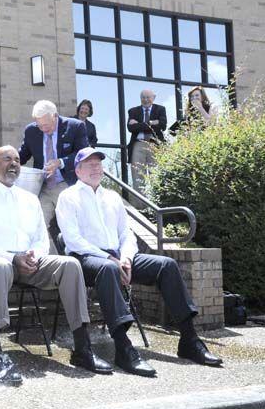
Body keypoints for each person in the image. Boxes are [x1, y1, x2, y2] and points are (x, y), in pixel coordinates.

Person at [55, 147, 223, 377]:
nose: (96, 167)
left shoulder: (112, 196)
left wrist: (125, 257)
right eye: (89, 164)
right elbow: (73, 240)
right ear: (78, 170)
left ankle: (189, 340)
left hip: (118, 257)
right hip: (86, 260)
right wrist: (110, 259)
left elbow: (126, 234)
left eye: (98, 163)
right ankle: (123, 348)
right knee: (107, 269)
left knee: (166, 265)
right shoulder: (68, 197)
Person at [0, 145, 112, 385]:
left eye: (17, 160)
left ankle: (82, 348)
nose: (13, 163)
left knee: (70, 265)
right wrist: (13, 258)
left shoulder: (29, 199)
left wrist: (34, 255)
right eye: (7, 159)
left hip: (30, 263)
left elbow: (41, 238)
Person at [18, 100, 88, 250]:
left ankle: (80, 261)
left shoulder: (75, 127)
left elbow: (83, 154)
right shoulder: (31, 131)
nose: (43, 129)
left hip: (66, 185)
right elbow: (22, 155)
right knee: (36, 226)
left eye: (47, 125)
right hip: (43, 187)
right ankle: (51, 261)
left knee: (73, 227)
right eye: (40, 125)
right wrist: (9, 159)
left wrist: (60, 162)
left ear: (55, 116)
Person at [126, 89, 167, 206]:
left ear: (153, 98)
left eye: (148, 97)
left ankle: (157, 205)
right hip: (138, 144)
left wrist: (140, 124)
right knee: (138, 176)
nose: (145, 99)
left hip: (155, 144)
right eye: (143, 97)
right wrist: (152, 123)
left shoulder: (160, 109)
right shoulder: (133, 111)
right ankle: (140, 207)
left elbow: (162, 126)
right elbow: (131, 129)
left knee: (156, 175)